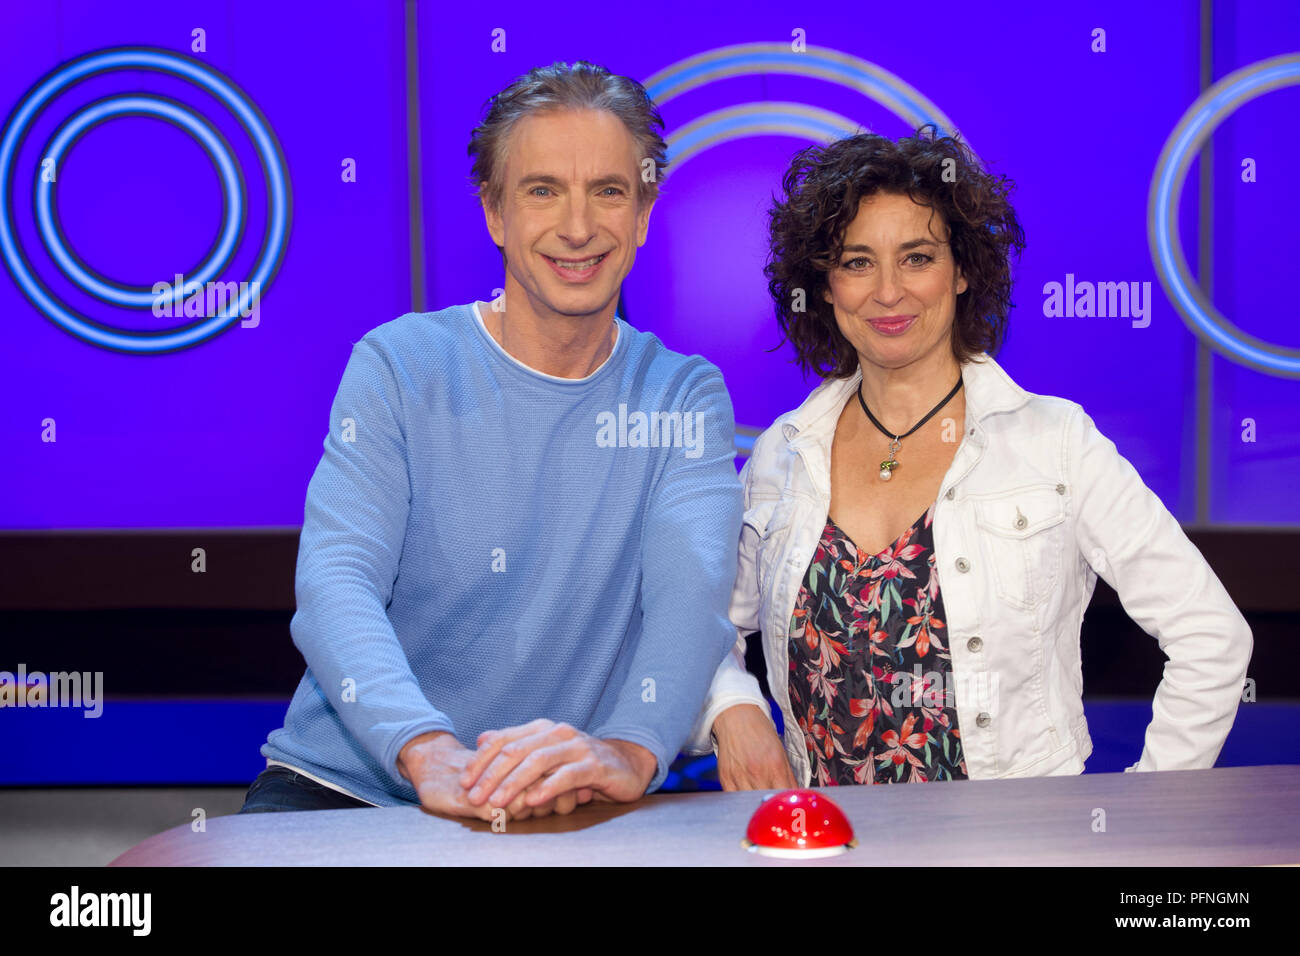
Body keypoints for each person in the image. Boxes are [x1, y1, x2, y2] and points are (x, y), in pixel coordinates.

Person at [239, 62, 743, 817]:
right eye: (542, 190)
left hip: (574, 798)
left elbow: (689, 600)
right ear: (494, 214)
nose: (578, 227)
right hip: (354, 790)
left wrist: (632, 749)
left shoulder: (684, 395)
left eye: (608, 191)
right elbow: (336, 585)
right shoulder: (400, 365)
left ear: (642, 215)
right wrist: (426, 750)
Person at [684, 126, 1253, 788]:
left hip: (1012, 851)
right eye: (858, 261)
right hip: (822, 846)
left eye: (918, 257)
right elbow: (697, 632)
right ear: (826, 286)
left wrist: (1146, 823)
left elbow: (1213, 636)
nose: (888, 292)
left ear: (961, 272)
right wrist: (735, 710)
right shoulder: (783, 456)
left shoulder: (1056, 443)